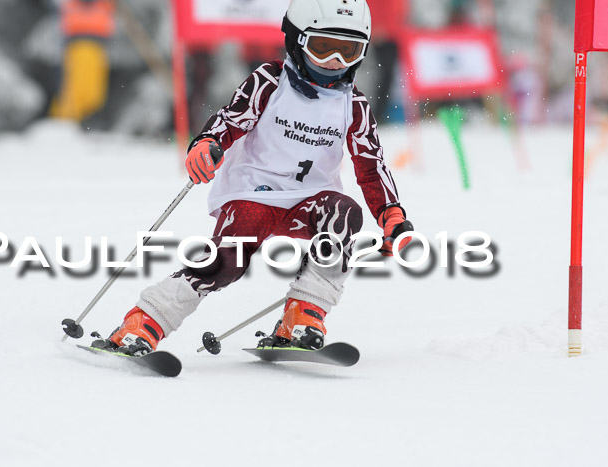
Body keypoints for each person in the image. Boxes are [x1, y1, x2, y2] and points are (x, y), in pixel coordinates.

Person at [100, 0, 414, 354]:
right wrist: (207, 143)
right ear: (297, 41)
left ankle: (303, 315)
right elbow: (231, 120)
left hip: (310, 201)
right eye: (322, 47)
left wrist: (391, 215)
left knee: (344, 214)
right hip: (253, 194)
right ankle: (143, 323)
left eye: (348, 51)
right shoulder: (269, 82)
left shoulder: (353, 105)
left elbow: (371, 165)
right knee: (226, 263)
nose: (335, 62)